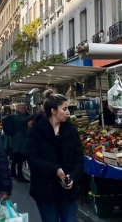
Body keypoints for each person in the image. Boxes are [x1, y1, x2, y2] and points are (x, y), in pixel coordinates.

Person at [26, 89, 84, 222]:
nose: (68, 112)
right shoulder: (37, 130)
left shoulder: (71, 131)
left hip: (68, 193)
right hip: (45, 191)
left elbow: (78, 158)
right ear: (53, 111)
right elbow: (32, 158)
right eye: (65, 109)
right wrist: (54, 169)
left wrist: (73, 177)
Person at [11, 103, 35, 182]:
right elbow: (25, 120)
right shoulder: (17, 116)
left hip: (18, 139)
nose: (25, 109)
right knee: (20, 157)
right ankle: (20, 176)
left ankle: (13, 172)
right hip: (19, 140)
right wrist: (35, 114)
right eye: (23, 108)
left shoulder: (17, 115)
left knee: (16, 156)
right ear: (19, 109)